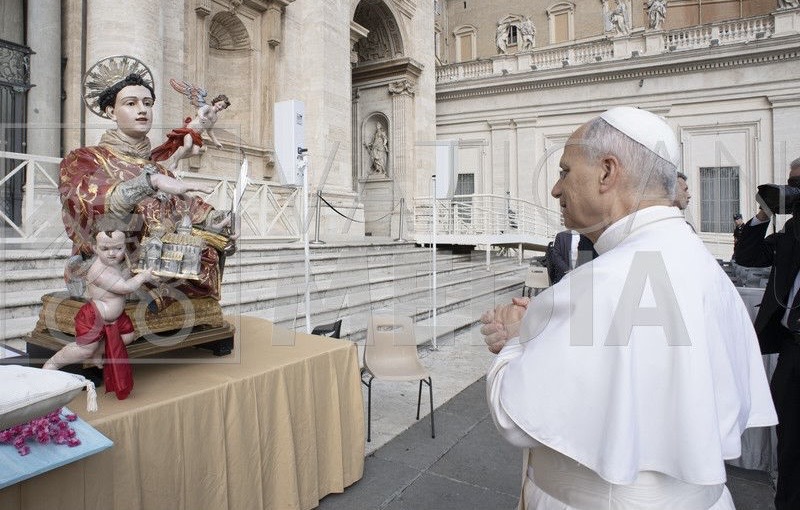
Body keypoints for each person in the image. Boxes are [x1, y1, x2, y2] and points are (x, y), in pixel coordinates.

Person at [480, 106, 776, 509]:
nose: (555, 189)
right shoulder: (701, 263)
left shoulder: (604, 281)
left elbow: (512, 417)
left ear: (606, 172)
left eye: (565, 172)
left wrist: (517, 339)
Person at [63, 56, 234, 310]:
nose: (142, 110)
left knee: (207, 247)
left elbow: (184, 208)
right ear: (111, 111)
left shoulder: (156, 164)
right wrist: (150, 182)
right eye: (130, 103)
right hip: (119, 256)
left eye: (147, 103)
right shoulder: (88, 158)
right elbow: (87, 203)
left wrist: (217, 218)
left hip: (163, 250)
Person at [733, 157, 800, 510]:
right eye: (792, 183)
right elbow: (747, 255)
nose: (794, 189)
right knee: (788, 440)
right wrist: (764, 215)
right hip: (791, 349)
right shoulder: (790, 233)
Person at [43, 228, 157, 400]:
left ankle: (98, 351)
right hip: (96, 316)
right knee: (84, 350)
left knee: (128, 336)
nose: (112, 253)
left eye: (118, 248)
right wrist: (142, 277)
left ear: (123, 247)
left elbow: (124, 276)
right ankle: (52, 364)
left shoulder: (113, 263)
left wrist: (138, 270)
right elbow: (124, 288)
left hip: (116, 318)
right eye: (105, 249)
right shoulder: (98, 270)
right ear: (95, 248)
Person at [151, 78, 231, 171]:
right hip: (190, 130)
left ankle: (177, 157)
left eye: (223, 107)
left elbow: (209, 130)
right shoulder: (207, 108)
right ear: (216, 102)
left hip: (197, 135)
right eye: (219, 104)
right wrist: (201, 116)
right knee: (188, 146)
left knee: (194, 152)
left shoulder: (215, 118)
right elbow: (201, 111)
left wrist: (216, 142)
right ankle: (175, 162)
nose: (220, 107)